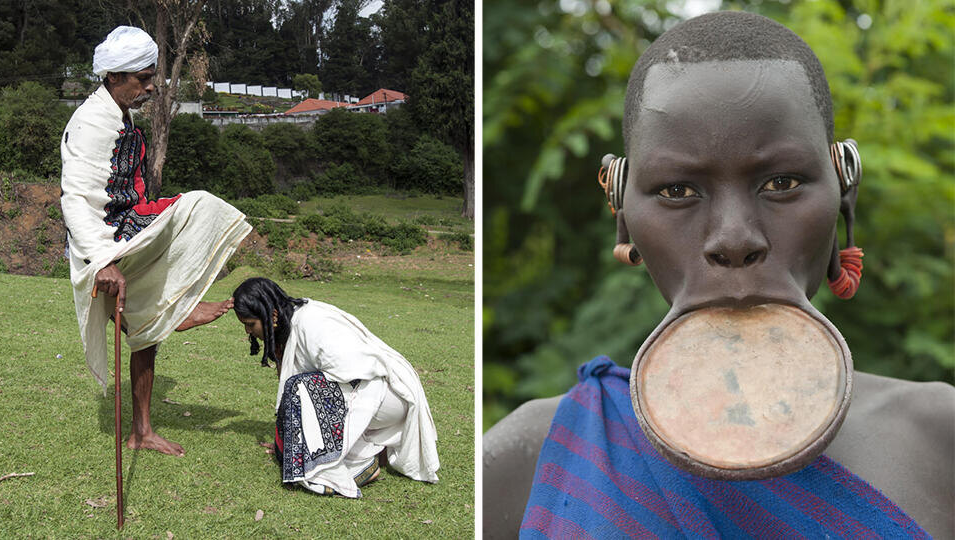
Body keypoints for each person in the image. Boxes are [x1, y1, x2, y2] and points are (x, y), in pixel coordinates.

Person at [483, 11, 954, 538]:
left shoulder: (940, 440)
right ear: (623, 215)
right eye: (678, 191)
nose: (734, 239)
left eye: (781, 182)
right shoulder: (533, 459)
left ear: (844, 192)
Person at [61, 26, 252, 456]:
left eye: (152, 77)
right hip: (106, 239)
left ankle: (142, 431)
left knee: (147, 330)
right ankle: (173, 308)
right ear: (113, 76)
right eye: (142, 78)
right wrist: (101, 261)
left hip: (127, 221)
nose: (151, 86)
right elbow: (74, 198)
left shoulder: (118, 112)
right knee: (201, 206)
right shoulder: (91, 123)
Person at [232, 277, 440, 498]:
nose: (248, 331)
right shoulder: (288, 325)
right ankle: (363, 459)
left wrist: (302, 428)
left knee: (301, 390)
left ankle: (351, 469)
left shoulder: (312, 322)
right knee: (300, 395)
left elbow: (356, 369)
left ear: (271, 315)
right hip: (366, 395)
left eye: (250, 324)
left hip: (386, 395)